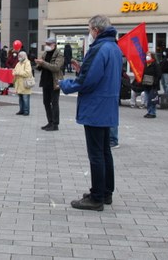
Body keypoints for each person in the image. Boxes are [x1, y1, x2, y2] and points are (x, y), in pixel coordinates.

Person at [59, 15, 122, 211]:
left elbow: (87, 81)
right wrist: (82, 70)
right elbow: (98, 75)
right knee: (104, 151)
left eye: (89, 29)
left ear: (96, 30)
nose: (90, 32)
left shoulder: (99, 48)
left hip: (96, 106)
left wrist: (64, 84)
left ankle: (96, 198)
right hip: (107, 105)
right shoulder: (114, 47)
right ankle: (105, 192)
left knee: (96, 153)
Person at [35, 37, 64, 131]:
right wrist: (38, 64)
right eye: (46, 44)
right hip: (45, 81)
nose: (46, 46)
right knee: (46, 102)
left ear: (54, 44)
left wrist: (43, 63)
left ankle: (55, 124)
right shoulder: (45, 53)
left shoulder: (59, 54)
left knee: (54, 103)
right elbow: (41, 66)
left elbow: (56, 68)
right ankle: (50, 122)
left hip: (55, 82)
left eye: (48, 44)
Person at [141, 52, 162, 118]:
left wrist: (154, 82)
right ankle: (149, 111)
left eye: (149, 55)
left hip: (153, 85)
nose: (147, 56)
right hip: (146, 84)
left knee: (152, 99)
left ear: (152, 56)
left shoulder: (155, 64)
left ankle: (152, 112)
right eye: (147, 55)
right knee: (147, 99)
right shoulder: (146, 64)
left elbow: (159, 74)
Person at [12, 51, 33, 116]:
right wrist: (14, 73)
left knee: (25, 98)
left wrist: (18, 73)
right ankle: (21, 110)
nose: (19, 57)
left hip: (25, 83)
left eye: (20, 56)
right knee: (20, 98)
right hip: (19, 84)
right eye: (18, 56)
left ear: (24, 56)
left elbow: (27, 73)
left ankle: (26, 111)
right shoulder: (18, 63)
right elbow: (14, 71)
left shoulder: (27, 63)